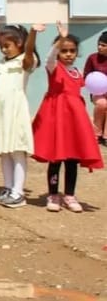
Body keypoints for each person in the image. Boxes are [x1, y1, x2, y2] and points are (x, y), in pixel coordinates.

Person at [31, 22, 104, 213]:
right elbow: (50, 57)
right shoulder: (54, 67)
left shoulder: (77, 72)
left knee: (72, 159)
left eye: (72, 50)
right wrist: (60, 39)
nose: (69, 54)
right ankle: (53, 194)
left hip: (74, 119)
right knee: (55, 159)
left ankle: (69, 195)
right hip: (57, 118)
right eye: (64, 50)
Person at [0, 25, 39, 208]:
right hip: (0, 111)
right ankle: (8, 187)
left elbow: (29, 52)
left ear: (19, 43)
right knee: (4, 151)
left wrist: (33, 33)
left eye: (7, 45)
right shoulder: (0, 65)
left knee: (17, 150)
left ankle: (18, 192)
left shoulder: (25, 62)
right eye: (1, 46)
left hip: (15, 111)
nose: (4, 49)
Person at [81, 32, 107, 146]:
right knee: (102, 104)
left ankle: (106, 136)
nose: (99, 47)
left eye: (103, 45)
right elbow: (86, 75)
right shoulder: (92, 58)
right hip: (98, 92)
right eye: (99, 44)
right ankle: (96, 134)